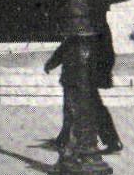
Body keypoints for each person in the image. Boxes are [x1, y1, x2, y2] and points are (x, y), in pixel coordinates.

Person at [45, 18, 121, 155]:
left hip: (83, 74)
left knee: (89, 107)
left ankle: (112, 141)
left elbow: (69, 45)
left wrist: (101, 74)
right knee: (74, 106)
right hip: (79, 73)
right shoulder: (90, 21)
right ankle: (64, 138)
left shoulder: (89, 22)